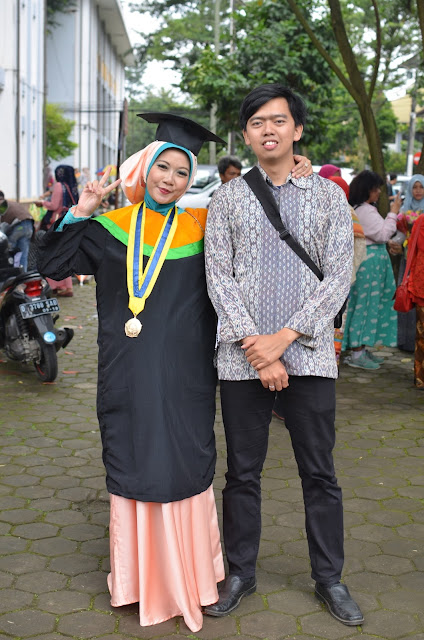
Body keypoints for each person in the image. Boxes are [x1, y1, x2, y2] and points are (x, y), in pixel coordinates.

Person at [36, 113, 311, 631]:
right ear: (145, 170)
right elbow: (51, 266)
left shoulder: (203, 228)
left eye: (182, 172)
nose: (170, 179)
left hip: (187, 375)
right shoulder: (110, 228)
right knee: (135, 453)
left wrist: (289, 169)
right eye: (162, 167)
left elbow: (262, 233)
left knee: (184, 460)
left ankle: (190, 576)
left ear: (190, 181)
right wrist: (82, 209)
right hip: (128, 371)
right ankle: (139, 581)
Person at [204, 83, 364, 626]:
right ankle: (240, 573)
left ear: (296, 129)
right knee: (242, 473)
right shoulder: (227, 199)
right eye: (257, 122)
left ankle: (329, 578)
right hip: (243, 359)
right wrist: (260, 348)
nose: (268, 130)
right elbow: (218, 278)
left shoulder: (328, 197)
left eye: (278, 120)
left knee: (319, 473)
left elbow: (338, 276)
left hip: (310, 354)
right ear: (245, 134)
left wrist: (286, 337)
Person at [342, 170, 401, 369]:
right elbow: (383, 234)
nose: (378, 192)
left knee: (366, 304)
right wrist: (393, 212)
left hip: (370, 264)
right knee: (365, 305)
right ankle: (357, 353)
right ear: (367, 190)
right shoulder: (366, 210)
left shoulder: (362, 209)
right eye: (376, 189)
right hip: (369, 266)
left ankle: (361, 349)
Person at [389, 174, 424, 352]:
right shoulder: (404, 210)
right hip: (408, 260)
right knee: (406, 297)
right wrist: (395, 242)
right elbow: (401, 234)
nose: (418, 191)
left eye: (421, 187)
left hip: (422, 263)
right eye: (414, 187)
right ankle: (405, 341)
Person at [35, 164, 80, 296]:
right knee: (64, 254)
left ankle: (55, 285)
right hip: (70, 222)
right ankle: (67, 287)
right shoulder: (72, 186)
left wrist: (42, 203)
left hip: (57, 223)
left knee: (52, 254)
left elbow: (54, 205)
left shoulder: (59, 185)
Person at [406, 215, 424, 388]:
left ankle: (420, 378)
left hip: (421, 284)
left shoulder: (420, 222)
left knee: (421, 336)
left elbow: (411, 252)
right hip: (421, 287)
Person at [0, 191, 34, 271]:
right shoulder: (11, 203)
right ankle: (22, 274)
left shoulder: (2, 204)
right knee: (23, 254)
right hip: (29, 225)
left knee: (8, 252)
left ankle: (10, 273)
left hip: (18, 227)